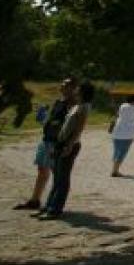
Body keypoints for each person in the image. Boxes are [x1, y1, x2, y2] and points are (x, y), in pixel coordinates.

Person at [13, 78, 74, 211]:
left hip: (57, 142)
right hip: (47, 139)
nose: (62, 87)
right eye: (62, 84)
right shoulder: (58, 102)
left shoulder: (72, 104)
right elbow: (51, 118)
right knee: (42, 170)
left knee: (57, 174)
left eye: (65, 85)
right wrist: (45, 119)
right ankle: (35, 200)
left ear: (73, 88)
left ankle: (53, 204)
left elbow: (70, 124)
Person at [36, 81, 93, 220]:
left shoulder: (84, 107)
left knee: (62, 179)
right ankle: (49, 205)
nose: (75, 90)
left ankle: (55, 209)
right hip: (60, 143)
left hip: (69, 145)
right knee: (57, 178)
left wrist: (70, 145)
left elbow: (79, 128)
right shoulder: (76, 106)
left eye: (78, 89)